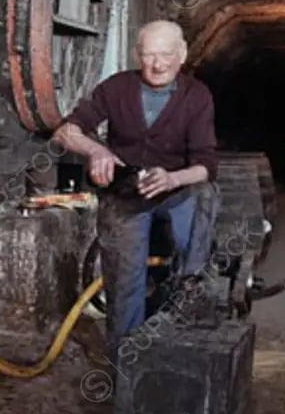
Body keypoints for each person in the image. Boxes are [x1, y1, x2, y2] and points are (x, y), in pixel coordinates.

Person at [53, 20, 220, 368]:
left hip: (176, 191)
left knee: (204, 194)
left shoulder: (196, 96)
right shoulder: (116, 89)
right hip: (127, 195)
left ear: (183, 54)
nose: (157, 65)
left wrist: (172, 179)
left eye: (166, 55)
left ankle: (187, 297)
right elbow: (66, 132)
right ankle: (127, 369)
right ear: (136, 55)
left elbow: (206, 164)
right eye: (148, 55)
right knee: (126, 282)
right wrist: (95, 151)